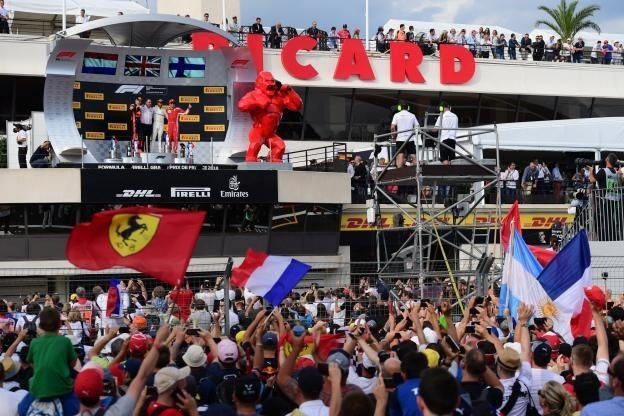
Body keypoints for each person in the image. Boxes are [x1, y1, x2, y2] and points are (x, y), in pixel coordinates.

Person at [18, 307, 79, 415]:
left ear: (40, 325)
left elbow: (31, 364)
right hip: (63, 389)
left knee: (21, 409)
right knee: (76, 409)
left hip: (37, 389)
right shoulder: (65, 341)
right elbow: (73, 364)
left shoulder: (34, 342)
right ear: (60, 324)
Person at [391, 101, 419, 168]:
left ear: (400, 107)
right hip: (410, 138)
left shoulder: (396, 115)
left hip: (400, 138)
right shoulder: (412, 115)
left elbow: (392, 127)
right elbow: (417, 127)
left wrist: (394, 136)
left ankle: (399, 173)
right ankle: (417, 171)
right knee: (413, 156)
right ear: (408, 108)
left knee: (400, 155)